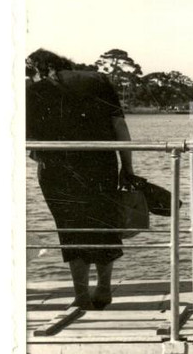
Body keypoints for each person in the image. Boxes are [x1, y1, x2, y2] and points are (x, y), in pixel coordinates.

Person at [25, 48, 136, 310]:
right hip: (101, 164)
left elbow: (28, 140)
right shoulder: (98, 80)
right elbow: (120, 126)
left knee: (70, 229)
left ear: (41, 69)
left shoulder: (34, 91)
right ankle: (104, 289)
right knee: (102, 225)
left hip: (56, 168)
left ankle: (81, 296)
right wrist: (127, 166)